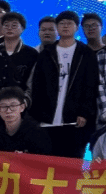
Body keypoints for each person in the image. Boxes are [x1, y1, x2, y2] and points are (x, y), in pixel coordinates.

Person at [30, 10, 98, 158]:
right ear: (57, 27)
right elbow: (38, 85)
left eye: (69, 23)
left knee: (71, 160)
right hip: (47, 118)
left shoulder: (86, 53)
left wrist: (84, 112)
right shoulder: (46, 53)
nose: (65, 26)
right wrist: (37, 113)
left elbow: (90, 86)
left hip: (74, 120)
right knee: (47, 159)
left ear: (77, 27)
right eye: (61, 23)